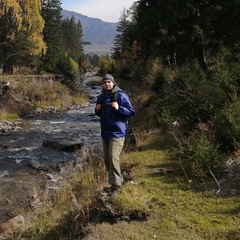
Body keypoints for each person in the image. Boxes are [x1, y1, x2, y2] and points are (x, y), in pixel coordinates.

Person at [95, 73, 135, 194]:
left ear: (113, 83)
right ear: (103, 84)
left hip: (117, 132)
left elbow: (131, 112)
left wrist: (119, 108)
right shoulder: (101, 97)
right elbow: (99, 113)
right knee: (107, 160)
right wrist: (97, 110)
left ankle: (117, 186)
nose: (107, 84)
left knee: (113, 157)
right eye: (105, 82)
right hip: (105, 133)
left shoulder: (120, 95)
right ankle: (115, 182)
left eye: (109, 82)